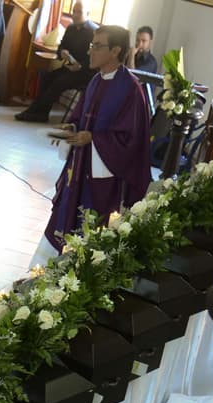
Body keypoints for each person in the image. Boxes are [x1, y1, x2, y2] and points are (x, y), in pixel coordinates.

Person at [39, 26, 150, 256]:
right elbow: (81, 116)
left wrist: (93, 139)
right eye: (92, 45)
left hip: (104, 177)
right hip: (79, 168)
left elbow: (132, 140)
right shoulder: (96, 80)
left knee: (92, 231)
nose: (90, 51)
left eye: (97, 46)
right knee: (66, 218)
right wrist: (71, 128)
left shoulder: (131, 89)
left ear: (115, 50)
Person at [15, 1, 96, 122]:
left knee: (59, 81)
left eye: (79, 12)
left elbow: (95, 58)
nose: (75, 15)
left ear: (88, 14)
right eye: (74, 11)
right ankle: (41, 113)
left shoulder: (94, 31)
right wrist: (62, 52)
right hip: (70, 68)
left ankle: (35, 112)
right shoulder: (71, 28)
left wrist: (81, 66)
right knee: (47, 77)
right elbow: (61, 46)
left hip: (86, 73)